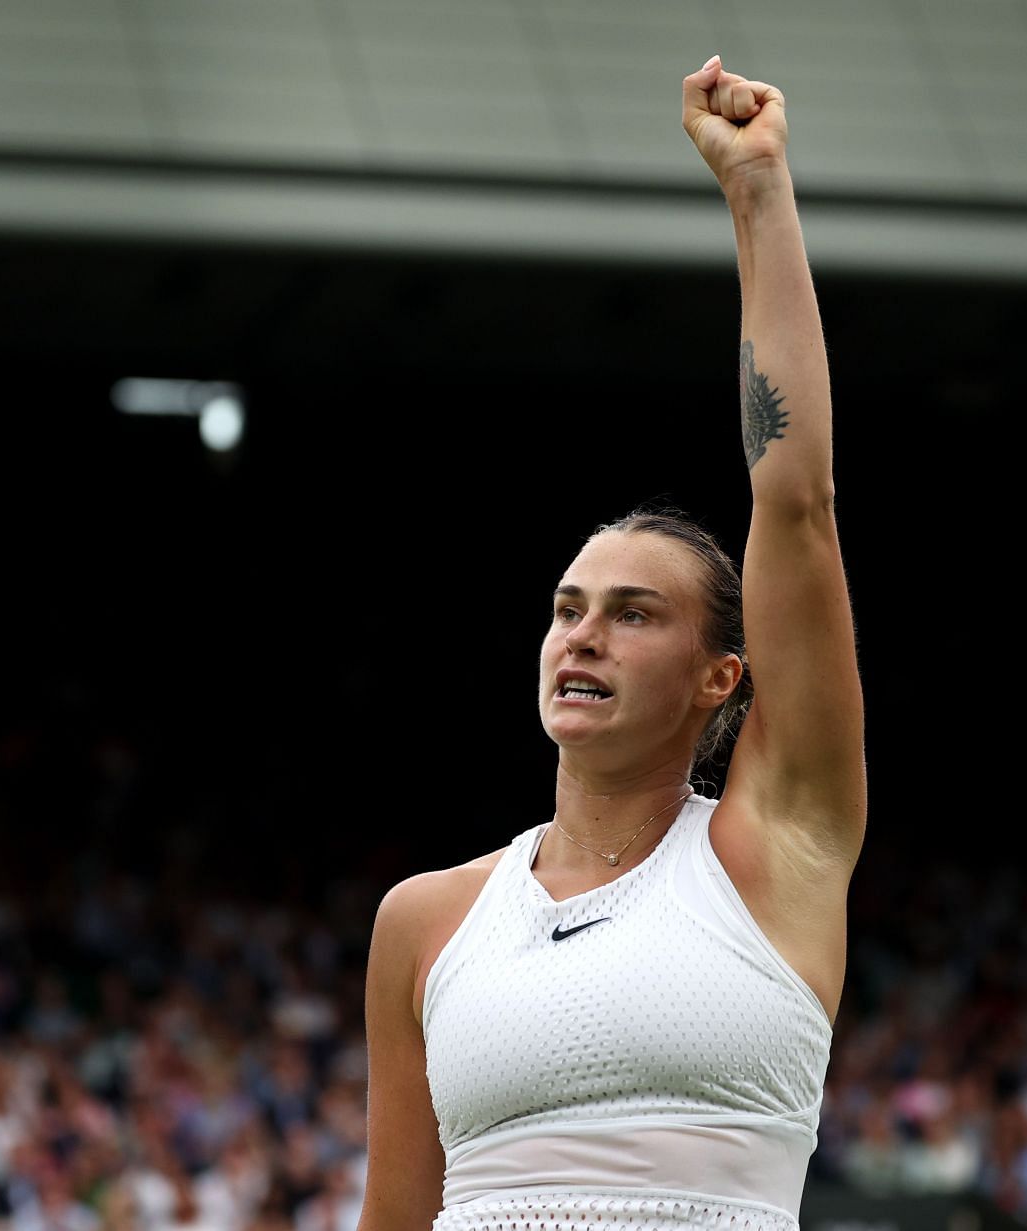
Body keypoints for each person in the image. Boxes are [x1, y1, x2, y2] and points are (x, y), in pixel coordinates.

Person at [358, 54, 866, 1231]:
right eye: (567, 606)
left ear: (719, 677)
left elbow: (796, 498)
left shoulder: (775, 850)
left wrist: (757, 192)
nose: (581, 634)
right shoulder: (424, 923)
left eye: (634, 613)